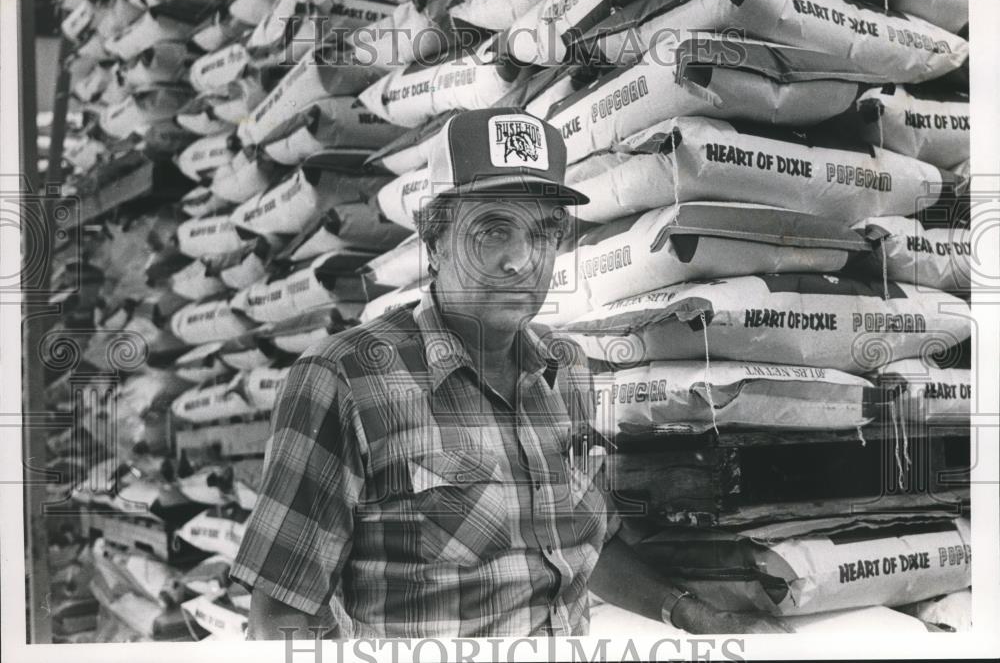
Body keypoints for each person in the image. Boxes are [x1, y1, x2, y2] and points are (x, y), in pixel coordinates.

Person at [230, 107, 791, 638]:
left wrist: (690, 615)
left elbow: (581, 545)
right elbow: (280, 613)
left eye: (544, 231)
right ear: (434, 238)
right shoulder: (345, 379)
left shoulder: (565, 370)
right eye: (494, 230)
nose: (522, 259)